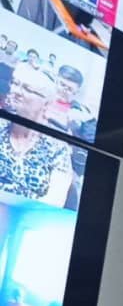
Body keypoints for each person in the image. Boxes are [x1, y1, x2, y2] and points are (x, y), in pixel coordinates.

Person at [0, 63, 73, 206]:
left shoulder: (59, 148)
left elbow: (55, 200)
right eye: (15, 83)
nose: (16, 91)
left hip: (30, 217)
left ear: (46, 103)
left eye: (27, 89)